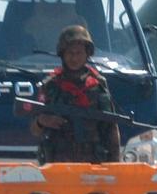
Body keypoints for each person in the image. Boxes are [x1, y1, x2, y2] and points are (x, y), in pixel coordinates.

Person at [30, 25, 121, 164]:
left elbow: (111, 129)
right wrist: (41, 121)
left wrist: (115, 165)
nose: (74, 58)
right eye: (70, 53)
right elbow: (35, 130)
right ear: (62, 54)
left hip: (93, 163)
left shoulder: (97, 84)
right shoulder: (51, 85)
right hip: (58, 164)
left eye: (79, 53)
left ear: (87, 54)